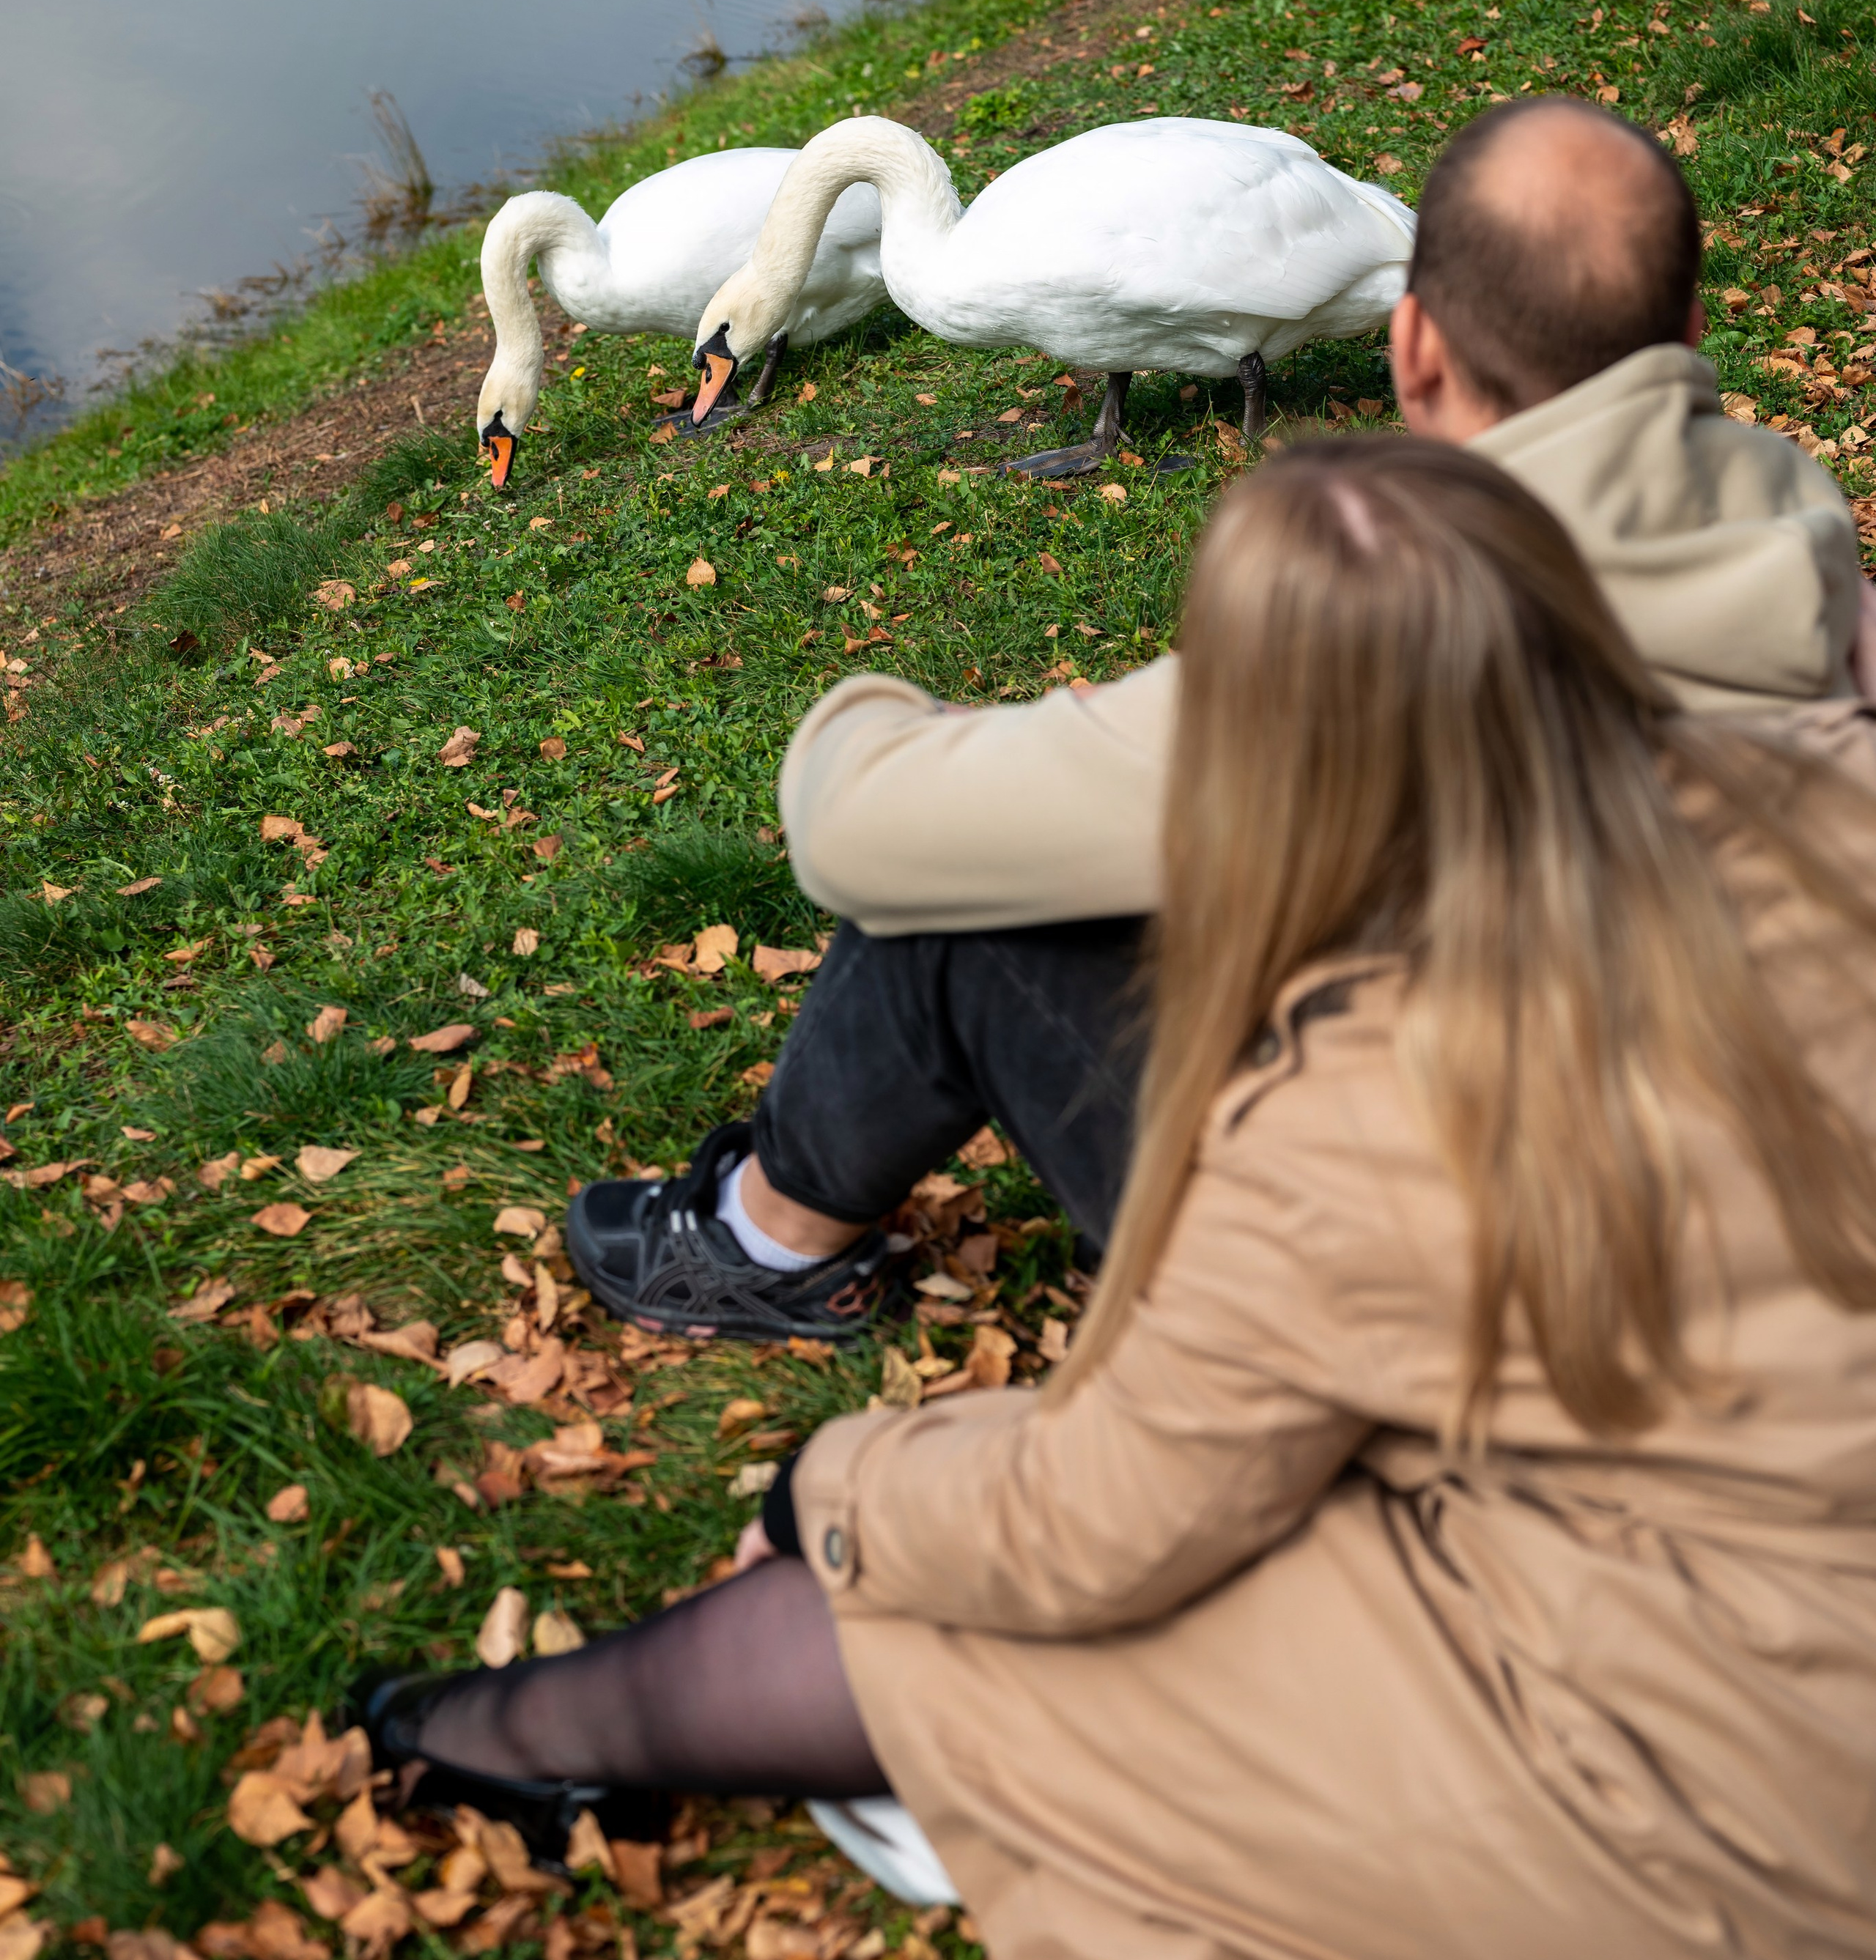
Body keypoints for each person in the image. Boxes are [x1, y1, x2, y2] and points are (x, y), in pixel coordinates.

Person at [364, 438, 1876, 1960]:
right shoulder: (1821, 805)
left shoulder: (1358, 1105)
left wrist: (840, 1491)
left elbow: (1096, 1521)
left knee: (972, 1612)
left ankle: (495, 1736)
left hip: (1766, 1872)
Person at [565, 95, 1874, 1341]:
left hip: (1465, 1257)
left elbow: (851, 821)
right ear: (1690, 327)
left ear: (1412, 356)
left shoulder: (1374, 648)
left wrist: (865, 713)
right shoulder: (1831, 587)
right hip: (1714, 1182)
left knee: (960, 920)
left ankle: (758, 1241)